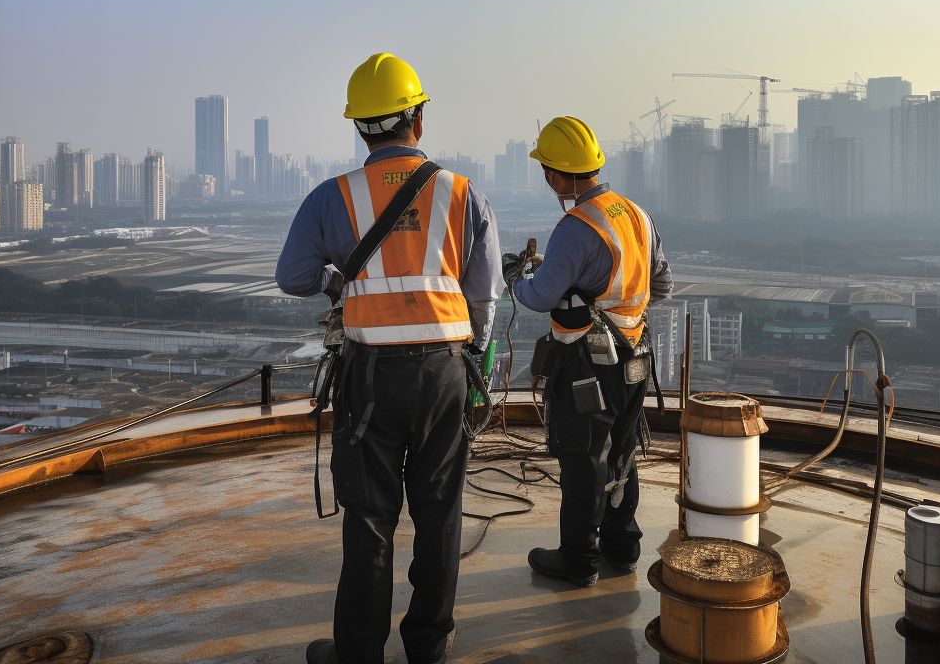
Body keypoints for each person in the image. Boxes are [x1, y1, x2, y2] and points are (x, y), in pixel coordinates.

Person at [276, 52, 503, 664]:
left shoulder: (334, 197)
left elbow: (292, 275)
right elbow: (483, 295)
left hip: (370, 379)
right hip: (443, 374)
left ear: (360, 127)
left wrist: (338, 284)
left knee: (371, 520)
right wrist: (469, 355)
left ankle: (359, 652)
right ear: (418, 121)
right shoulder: (462, 194)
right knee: (439, 515)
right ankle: (428, 647)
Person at [504, 115, 672, 587]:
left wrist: (516, 278)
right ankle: (623, 544)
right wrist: (621, 311)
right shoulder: (636, 214)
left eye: (547, 173)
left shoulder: (576, 227)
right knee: (622, 448)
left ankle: (578, 559)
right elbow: (662, 282)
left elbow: (538, 297)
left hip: (588, 366)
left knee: (582, 457)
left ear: (556, 174)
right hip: (634, 353)